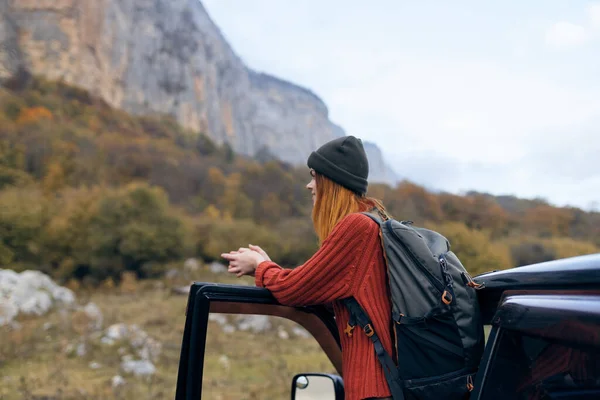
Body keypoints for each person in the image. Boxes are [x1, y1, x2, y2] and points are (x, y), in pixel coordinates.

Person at [222, 136, 394, 400]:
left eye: (315, 176)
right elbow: (311, 285)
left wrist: (260, 266)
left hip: (376, 391)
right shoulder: (373, 226)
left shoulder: (356, 228)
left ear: (332, 181)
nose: (309, 185)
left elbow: (293, 290)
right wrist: (268, 266)